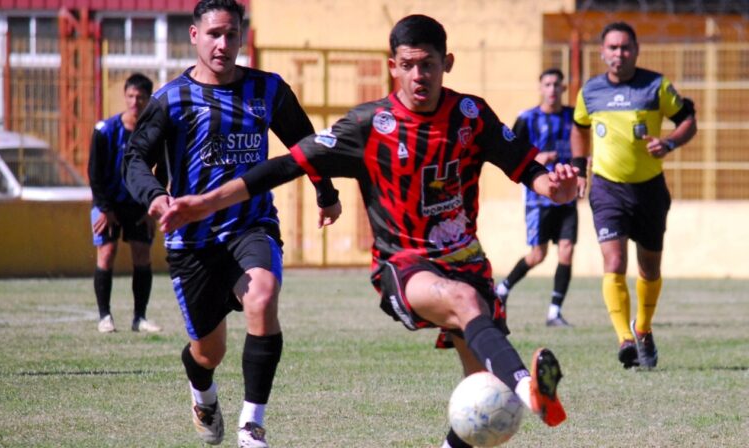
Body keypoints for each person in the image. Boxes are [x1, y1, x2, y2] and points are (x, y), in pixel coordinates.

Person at [159, 14, 576, 448]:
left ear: (447, 63)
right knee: (467, 305)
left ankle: (497, 405)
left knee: (488, 399)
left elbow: (529, 169)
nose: (419, 75)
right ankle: (532, 389)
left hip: (467, 262)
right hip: (404, 265)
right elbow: (283, 166)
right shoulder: (368, 126)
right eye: (409, 64)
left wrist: (556, 187)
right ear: (392, 65)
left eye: (429, 64)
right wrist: (204, 203)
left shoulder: (470, 116)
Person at [122, 1, 342, 446]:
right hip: (192, 243)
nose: (224, 44)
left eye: (232, 35)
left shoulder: (268, 90)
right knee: (209, 352)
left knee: (262, 296)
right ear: (194, 36)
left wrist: (326, 191)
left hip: (251, 225)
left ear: (242, 37)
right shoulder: (171, 100)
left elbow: (305, 145)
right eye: (215, 34)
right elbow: (134, 161)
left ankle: (252, 425)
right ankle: (202, 392)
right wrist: (158, 197)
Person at [570, 22, 697, 369]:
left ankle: (643, 328)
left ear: (636, 51)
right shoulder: (590, 91)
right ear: (602, 52)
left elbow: (688, 120)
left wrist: (669, 142)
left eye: (625, 47)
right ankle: (624, 339)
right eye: (612, 48)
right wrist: (580, 168)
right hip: (608, 188)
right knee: (614, 263)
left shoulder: (656, 86)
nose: (619, 54)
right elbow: (579, 127)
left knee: (649, 269)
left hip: (650, 190)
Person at [495, 68, 577, 328]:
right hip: (538, 199)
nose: (552, 89)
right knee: (538, 255)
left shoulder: (574, 117)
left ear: (564, 89)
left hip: (567, 197)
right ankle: (503, 289)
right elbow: (510, 153)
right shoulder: (527, 119)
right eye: (547, 84)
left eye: (556, 84)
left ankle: (554, 312)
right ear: (540, 88)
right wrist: (537, 159)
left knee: (566, 251)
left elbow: (582, 148)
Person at [88, 72, 162, 334]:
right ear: (125, 96)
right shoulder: (105, 130)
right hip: (108, 204)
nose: (135, 102)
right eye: (130, 96)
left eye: (141, 97)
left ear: (148, 99)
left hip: (139, 205)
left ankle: (139, 318)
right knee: (106, 254)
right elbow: (94, 173)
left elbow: (160, 170)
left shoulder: (154, 132)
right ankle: (104, 316)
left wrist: (152, 207)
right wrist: (105, 209)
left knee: (142, 255)